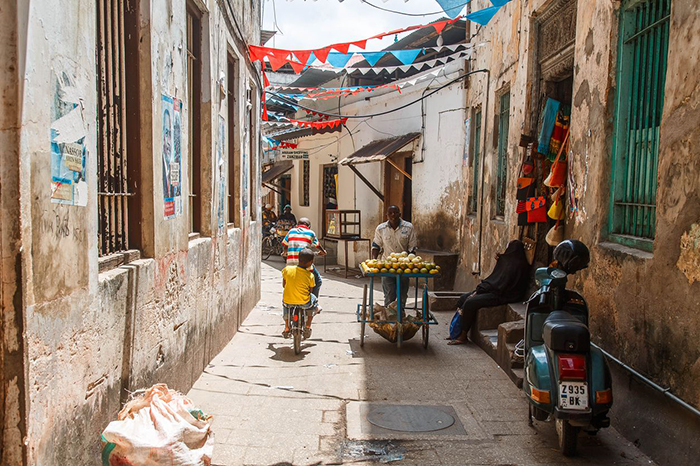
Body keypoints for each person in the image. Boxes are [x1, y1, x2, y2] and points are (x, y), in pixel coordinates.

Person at [448, 240, 530, 345]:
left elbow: (502, 285)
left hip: (503, 294)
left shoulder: (517, 265)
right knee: (463, 298)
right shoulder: (507, 261)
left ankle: (463, 335)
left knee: (470, 303)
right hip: (494, 289)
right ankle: (456, 330)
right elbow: (496, 278)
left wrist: (480, 291)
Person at [372, 205, 418, 307]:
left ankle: (400, 316)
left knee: (402, 294)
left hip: (403, 266)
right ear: (387, 215)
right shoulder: (381, 229)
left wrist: (410, 262)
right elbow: (376, 246)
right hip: (386, 266)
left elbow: (412, 247)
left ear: (400, 214)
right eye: (390, 213)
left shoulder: (408, 227)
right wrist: (374, 261)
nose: (393, 215)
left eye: (395, 213)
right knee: (389, 294)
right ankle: (389, 315)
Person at [283, 218, 327, 301]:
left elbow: (285, 245)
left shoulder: (291, 231)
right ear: (309, 226)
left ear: (297, 225)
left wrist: (285, 252)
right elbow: (317, 245)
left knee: (287, 282)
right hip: (305, 265)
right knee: (317, 281)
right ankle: (313, 302)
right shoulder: (311, 233)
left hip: (290, 264)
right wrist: (323, 252)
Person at [282, 248, 319, 339]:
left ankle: (287, 327)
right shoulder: (310, 275)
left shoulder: (287, 269)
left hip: (288, 301)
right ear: (310, 262)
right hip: (304, 302)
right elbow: (310, 290)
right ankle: (308, 326)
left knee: (285, 305)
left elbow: (284, 285)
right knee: (313, 299)